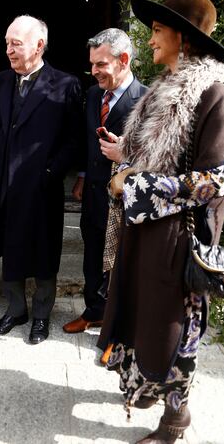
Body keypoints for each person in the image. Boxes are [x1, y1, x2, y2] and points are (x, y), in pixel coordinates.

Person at [98, 0, 224, 443]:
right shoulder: (160, 89)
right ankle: (147, 392)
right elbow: (151, 158)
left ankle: (176, 420)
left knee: (177, 328)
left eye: (157, 31)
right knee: (144, 320)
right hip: (145, 233)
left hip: (179, 240)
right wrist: (126, 164)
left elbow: (216, 179)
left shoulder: (215, 93)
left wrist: (137, 186)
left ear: (184, 38)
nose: (149, 39)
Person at [0, 15, 82, 344]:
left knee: (43, 252)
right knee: (9, 250)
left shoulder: (66, 84)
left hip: (41, 188)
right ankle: (15, 310)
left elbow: (74, 139)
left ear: (39, 46)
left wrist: (50, 173)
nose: (8, 50)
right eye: (7, 43)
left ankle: (41, 315)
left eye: (16, 43)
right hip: (2, 186)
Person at [63, 29, 147, 335]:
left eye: (101, 64)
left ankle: (119, 328)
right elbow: (89, 142)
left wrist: (126, 152)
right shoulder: (94, 95)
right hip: (93, 195)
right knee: (92, 257)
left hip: (125, 201)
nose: (94, 71)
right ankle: (93, 312)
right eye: (92, 65)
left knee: (122, 264)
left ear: (123, 60)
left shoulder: (148, 100)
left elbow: (163, 158)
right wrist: (83, 177)